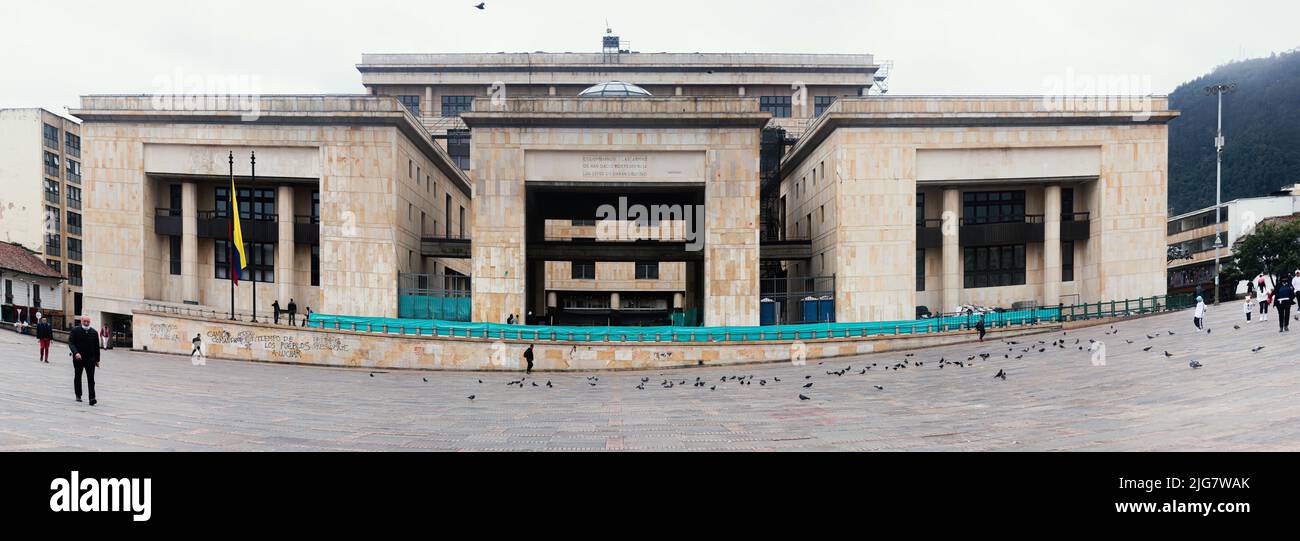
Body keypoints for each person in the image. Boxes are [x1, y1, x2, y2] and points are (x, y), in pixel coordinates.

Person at [68, 315, 101, 406]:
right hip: (78, 358)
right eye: (84, 321)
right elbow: (71, 343)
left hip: (90, 359)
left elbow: (96, 347)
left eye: (88, 321)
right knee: (78, 376)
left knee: (91, 379)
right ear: (81, 321)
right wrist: (76, 353)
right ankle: (78, 395)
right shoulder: (75, 330)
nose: (86, 323)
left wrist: (97, 360)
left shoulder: (94, 333)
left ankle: (92, 398)